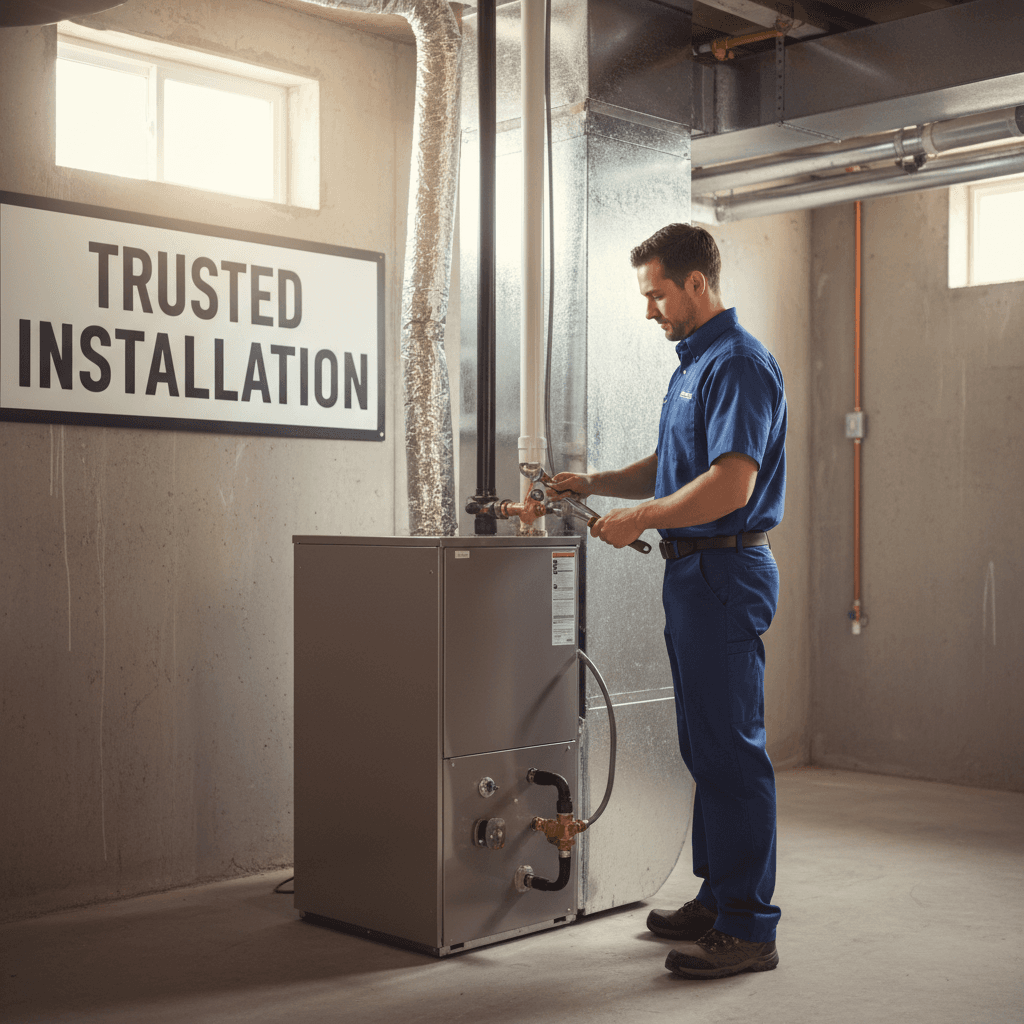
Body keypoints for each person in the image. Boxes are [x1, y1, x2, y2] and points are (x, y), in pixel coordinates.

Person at [548, 223, 787, 980]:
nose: (651, 310)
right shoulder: (695, 368)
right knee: (705, 746)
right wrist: (596, 484)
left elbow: (730, 483)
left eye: (657, 294)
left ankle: (751, 927)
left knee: (733, 749)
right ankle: (719, 897)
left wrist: (642, 518)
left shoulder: (741, 365)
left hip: (725, 571)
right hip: (692, 575)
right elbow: (673, 464)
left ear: (695, 284)